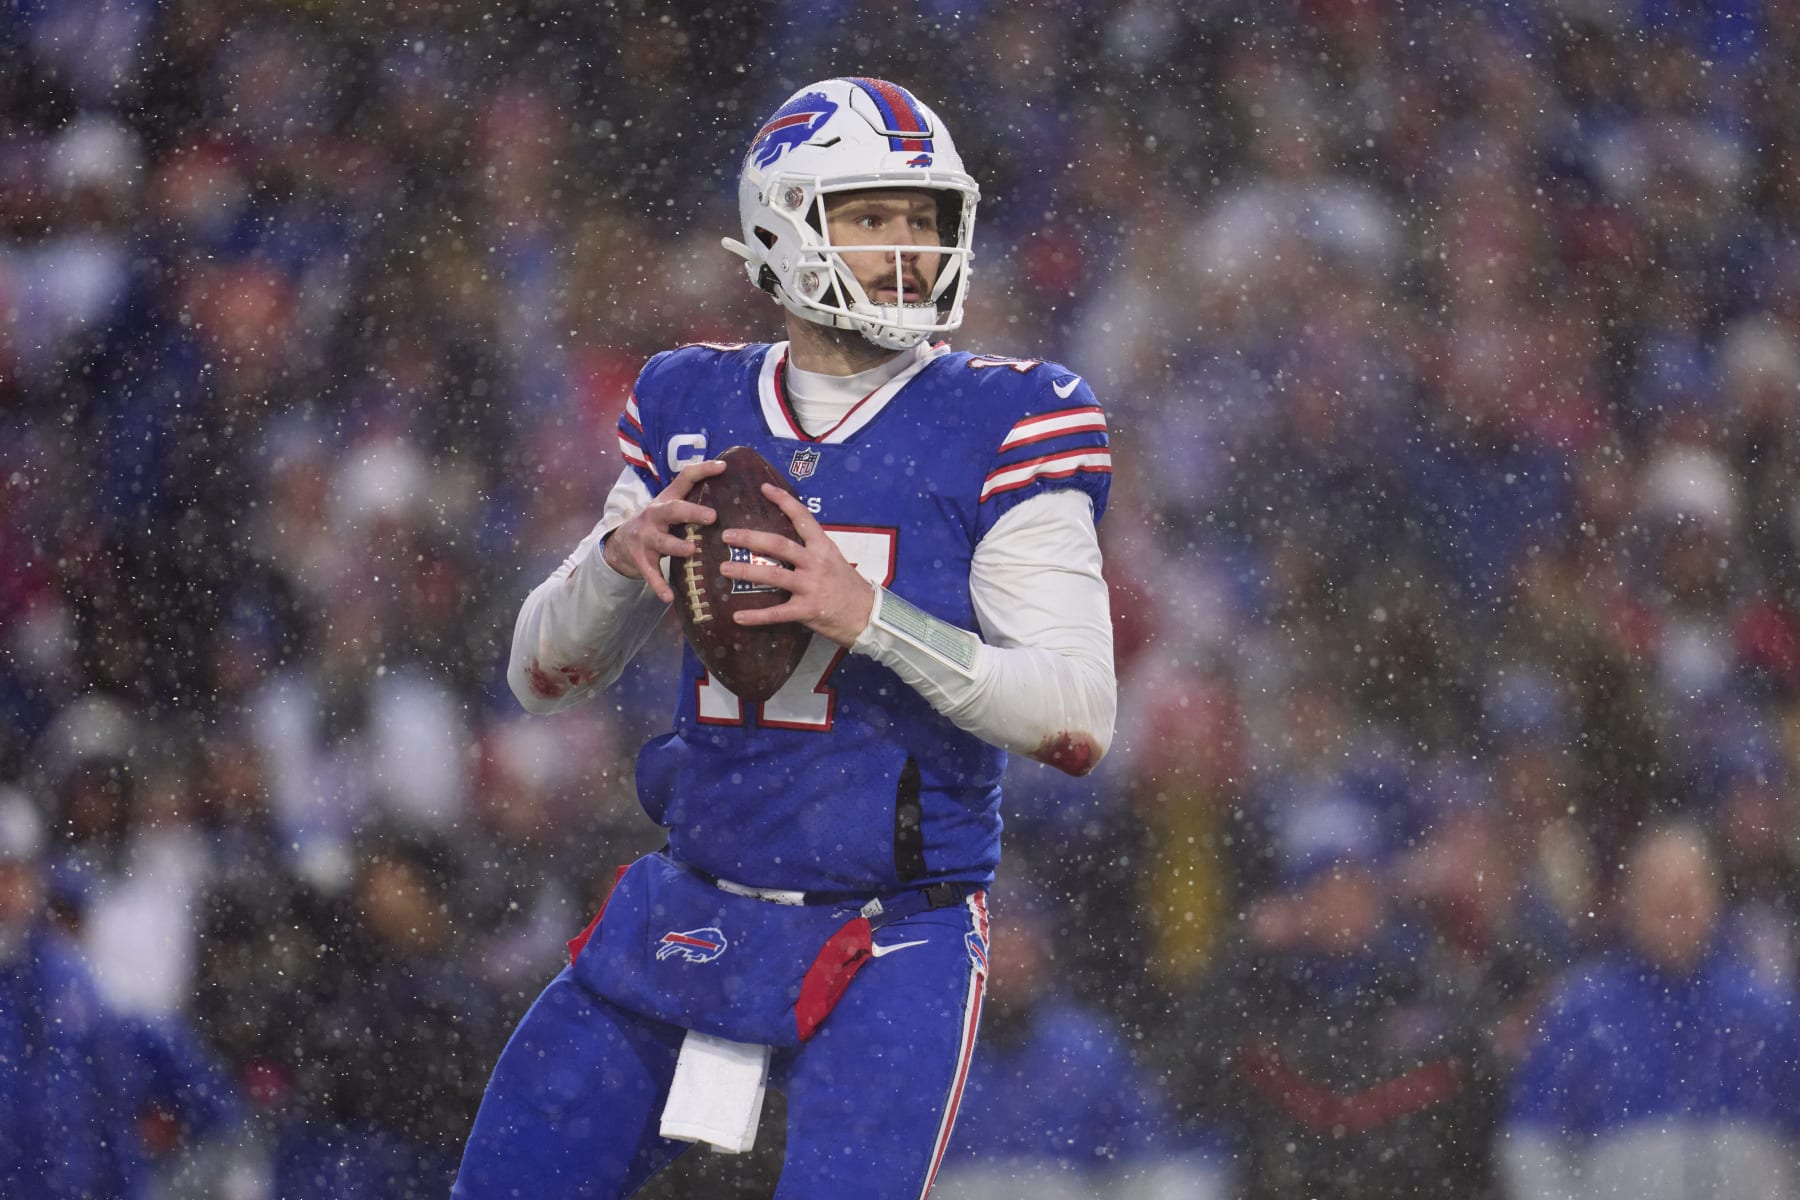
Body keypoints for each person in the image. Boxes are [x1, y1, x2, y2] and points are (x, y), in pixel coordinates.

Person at [455, 77, 1117, 1200]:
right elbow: (539, 674)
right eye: (869, 216)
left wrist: (872, 620)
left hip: (887, 935)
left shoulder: (1008, 415)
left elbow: (1077, 718)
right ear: (781, 221)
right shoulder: (689, 399)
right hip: (690, 906)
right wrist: (619, 564)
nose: (906, 245)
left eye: (922, 218)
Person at [1500, 822, 1800, 1200]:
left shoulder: (1768, 1012)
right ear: (1630, 903)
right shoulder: (1582, 1011)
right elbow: (1532, 1145)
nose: (1676, 912)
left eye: (1688, 895)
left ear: (1716, 899)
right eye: (1661, 897)